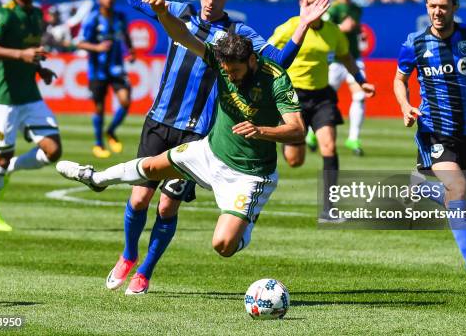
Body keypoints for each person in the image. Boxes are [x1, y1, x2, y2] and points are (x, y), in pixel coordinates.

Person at [102, 0, 328, 295]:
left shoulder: (240, 36)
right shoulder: (181, 11)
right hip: (161, 119)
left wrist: (303, 26)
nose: (210, 0)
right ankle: (129, 255)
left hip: (198, 133)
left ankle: (146, 270)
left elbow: (278, 61)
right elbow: (134, 0)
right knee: (138, 200)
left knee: (166, 205)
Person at [56, 27, 304, 295]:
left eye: (236, 72)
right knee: (150, 167)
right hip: (209, 153)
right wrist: (164, 15)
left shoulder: (276, 79)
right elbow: (185, 38)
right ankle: (96, 179)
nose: (230, 77)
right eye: (227, 71)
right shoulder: (219, 61)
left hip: (249, 175)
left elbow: (298, 129)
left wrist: (261, 131)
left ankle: (245, 225)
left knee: (223, 246)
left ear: (252, 61)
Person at [393, 0, 466, 283]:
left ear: (454, 6)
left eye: (443, 6)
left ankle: (420, 187)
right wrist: (405, 106)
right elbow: (399, 80)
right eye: (431, 6)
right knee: (457, 189)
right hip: (433, 130)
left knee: (456, 200)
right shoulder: (414, 42)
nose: (437, 12)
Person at [269, 0, 376, 221]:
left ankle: (329, 209)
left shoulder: (332, 32)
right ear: (300, 4)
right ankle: (288, 143)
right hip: (292, 97)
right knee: (295, 161)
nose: (311, 8)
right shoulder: (288, 28)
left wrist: (361, 80)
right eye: (307, 3)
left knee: (329, 147)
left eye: (316, 4)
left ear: (323, 6)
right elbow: (265, 53)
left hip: (321, 96)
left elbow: (346, 57)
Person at [0, 0, 61, 231]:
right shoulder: (6, 13)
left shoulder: (36, 15)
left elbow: (30, 52)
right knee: (0, 155)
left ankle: (11, 166)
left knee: (53, 150)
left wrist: (39, 69)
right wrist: (20, 55)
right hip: (3, 97)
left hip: (29, 94)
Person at [307, 0, 368, 156]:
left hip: (353, 58)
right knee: (322, 98)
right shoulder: (332, 9)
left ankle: (353, 138)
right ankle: (311, 133)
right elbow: (322, 28)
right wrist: (343, 28)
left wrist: (358, 32)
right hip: (335, 60)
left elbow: (354, 29)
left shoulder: (356, 8)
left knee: (359, 96)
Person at [77, 0, 135, 158]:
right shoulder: (93, 19)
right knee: (99, 108)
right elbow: (80, 43)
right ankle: (98, 143)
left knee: (125, 101)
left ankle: (110, 131)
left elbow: (125, 36)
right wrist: (97, 47)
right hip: (97, 71)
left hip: (117, 68)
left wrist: (130, 51)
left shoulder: (120, 17)